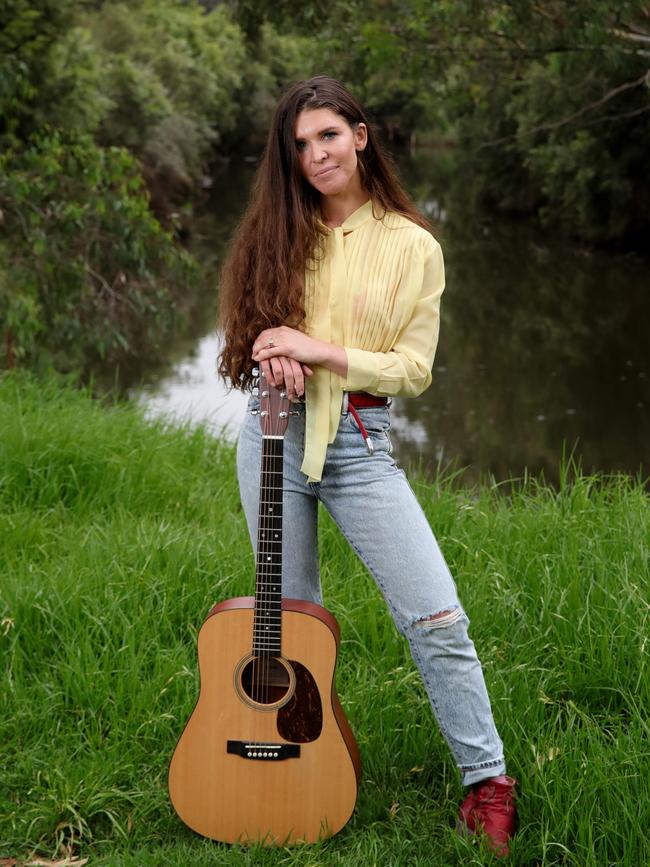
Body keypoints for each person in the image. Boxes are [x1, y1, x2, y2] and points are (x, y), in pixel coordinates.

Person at [218, 75, 517, 857]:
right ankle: (293, 772)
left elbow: (412, 368)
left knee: (437, 616)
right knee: (291, 628)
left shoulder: (415, 244)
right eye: (300, 145)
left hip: (359, 441)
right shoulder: (277, 228)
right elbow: (249, 328)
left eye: (327, 135)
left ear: (360, 134)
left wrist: (315, 350)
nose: (316, 154)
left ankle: (488, 782)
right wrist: (269, 350)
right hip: (272, 434)